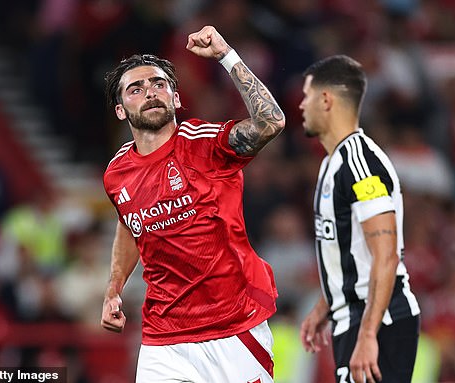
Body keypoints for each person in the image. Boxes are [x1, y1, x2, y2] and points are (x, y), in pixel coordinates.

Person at [99, 25, 285, 382]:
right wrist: (114, 287)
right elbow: (130, 223)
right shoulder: (116, 173)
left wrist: (226, 56)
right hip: (163, 339)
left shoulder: (205, 144)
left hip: (232, 328)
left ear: (176, 98)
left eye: (158, 84)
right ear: (121, 111)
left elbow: (271, 121)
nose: (150, 93)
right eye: (135, 89)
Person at [298, 55, 421, 383]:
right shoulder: (332, 163)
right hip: (353, 319)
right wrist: (326, 304)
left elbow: (386, 255)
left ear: (326, 100)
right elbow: (349, 249)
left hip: (380, 322)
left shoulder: (360, 163)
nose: (301, 105)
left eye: (306, 96)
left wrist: (368, 335)